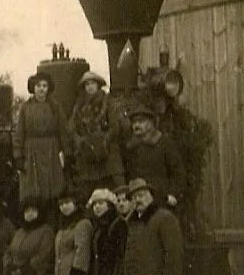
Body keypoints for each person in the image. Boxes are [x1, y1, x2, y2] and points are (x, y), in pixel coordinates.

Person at [67, 71, 125, 202]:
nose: (90, 87)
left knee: (116, 189)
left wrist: (104, 141)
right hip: (88, 157)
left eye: (93, 83)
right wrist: (80, 142)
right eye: (87, 84)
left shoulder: (108, 102)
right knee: (90, 193)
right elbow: (71, 128)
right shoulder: (79, 106)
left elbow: (115, 126)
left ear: (98, 85)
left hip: (108, 153)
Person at [12, 72, 67, 207]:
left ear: (48, 88)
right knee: (33, 189)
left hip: (51, 150)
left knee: (53, 188)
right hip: (32, 151)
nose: (41, 89)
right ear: (33, 87)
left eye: (44, 86)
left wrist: (66, 152)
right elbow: (19, 133)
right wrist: (18, 156)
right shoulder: (26, 107)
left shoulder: (55, 106)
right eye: (38, 85)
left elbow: (63, 131)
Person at [124, 108, 186, 210]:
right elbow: (128, 174)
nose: (136, 125)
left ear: (150, 123)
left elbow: (178, 172)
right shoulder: (131, 147)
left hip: (161, 198)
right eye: (134, 122)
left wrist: (174, 194)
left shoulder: (163, 142)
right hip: (138, 200)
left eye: (141, 121)